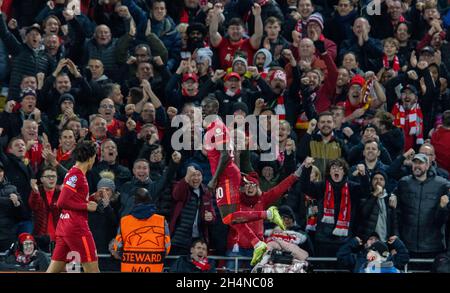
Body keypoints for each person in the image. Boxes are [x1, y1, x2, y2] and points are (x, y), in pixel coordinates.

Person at [202, 96, 285, 265]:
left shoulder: (217, 127)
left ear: (215, 109)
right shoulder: (213, 126)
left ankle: (268, 215)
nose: (203, 110)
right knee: (229, 218)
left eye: (207, 107)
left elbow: (225, 156)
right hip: (225, 174)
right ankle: (258, 243)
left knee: (229, 216)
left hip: (226, 174)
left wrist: (214, 179)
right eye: (202, 107)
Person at [46, 141, 100, 273]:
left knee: (52, 271)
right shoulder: (77, 175)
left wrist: (92, 197)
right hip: (77, 228)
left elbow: (72, 200)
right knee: (93, 270)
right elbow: (61, 202)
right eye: (94, 157)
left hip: (65, 227)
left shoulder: (74, 173)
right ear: (90, 158)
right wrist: (86, 206)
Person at [392, 153, 449, 258]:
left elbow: (444, 218)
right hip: (407, 244)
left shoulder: (442, 184)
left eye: (421, 163)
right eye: (415, 162)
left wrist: (442, 207)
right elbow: (396, 213)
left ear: (427, 166)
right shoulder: (403, 183)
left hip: (433, 245)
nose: (417, 166)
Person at [112, 188, 171, 273]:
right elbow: (167, 246)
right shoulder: (161, 220)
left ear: (134, 201)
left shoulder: (124, 221)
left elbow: (117, 246)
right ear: (150, 200)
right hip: (154, 268)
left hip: (129, 268)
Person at [337, 233, 409, 273]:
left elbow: (404, 258)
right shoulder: (358, 258)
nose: (374, 241)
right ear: (365, 244)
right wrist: (353, 242)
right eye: (370, 239)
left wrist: (397, 242)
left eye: (377, 239)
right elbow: (341, 256)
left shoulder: (388, 258)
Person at [28, 166, 61, 252]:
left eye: (54, 176)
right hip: (40, 237)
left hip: (60, 237)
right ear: (42, 179)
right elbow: (34, 205)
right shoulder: (37, 191)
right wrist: (35, 192)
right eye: (48, 176)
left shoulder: (61, 192)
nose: (51, 179)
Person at [0, 161, 22, 251]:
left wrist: (16, 203)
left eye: (0, 171)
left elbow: (21, 212)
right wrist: (9, 201)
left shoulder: (12, 188)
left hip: (7, 234)